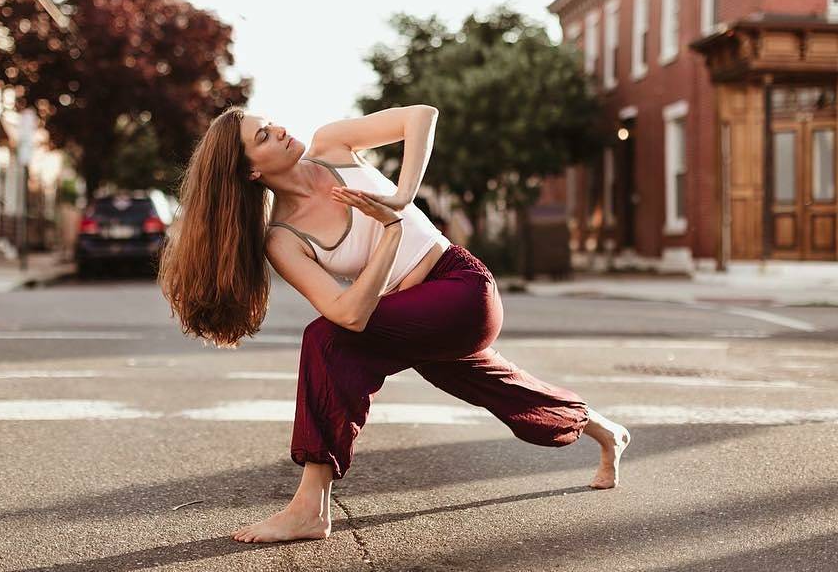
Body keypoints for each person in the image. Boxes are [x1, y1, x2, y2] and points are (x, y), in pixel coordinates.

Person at [157, 105, 630, 544]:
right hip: (410, 316)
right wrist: (390, 230)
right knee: (495, 385)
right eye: (263, 135)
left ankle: (310, 507)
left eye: (272, 122)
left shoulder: (333, 145)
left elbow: (421, 116)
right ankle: (604, 430)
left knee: (324, 342)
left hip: (461, 288)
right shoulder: (283, 238)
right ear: (251, 170)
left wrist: (401, 199)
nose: (280, 129)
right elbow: (348, 312)